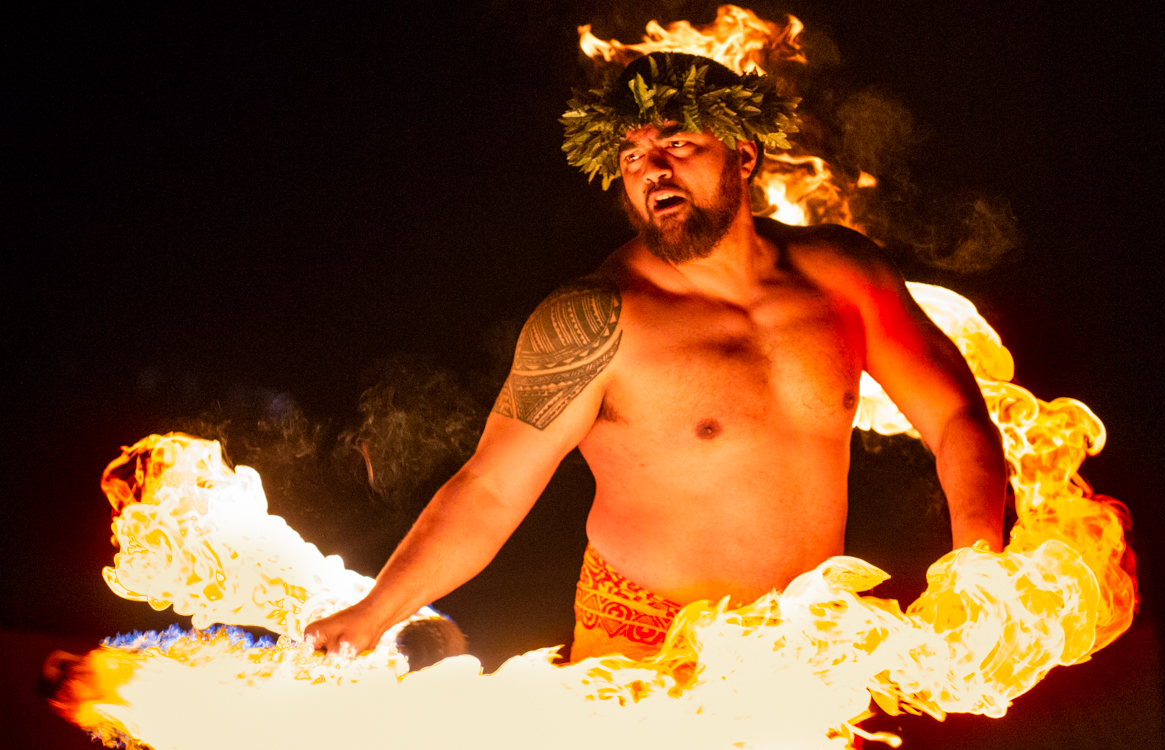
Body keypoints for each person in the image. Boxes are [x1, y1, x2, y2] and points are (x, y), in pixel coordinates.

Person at [306, 52, 1005, 662]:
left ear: (744, 154)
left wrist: (981, 573)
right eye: (633, 156)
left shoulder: (842, 276)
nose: (654, 171)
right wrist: (374, 613)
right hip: (642, 648)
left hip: (804, 641)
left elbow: (954, 418)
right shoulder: (592, 321)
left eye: (677, 144)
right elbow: (489, 491)